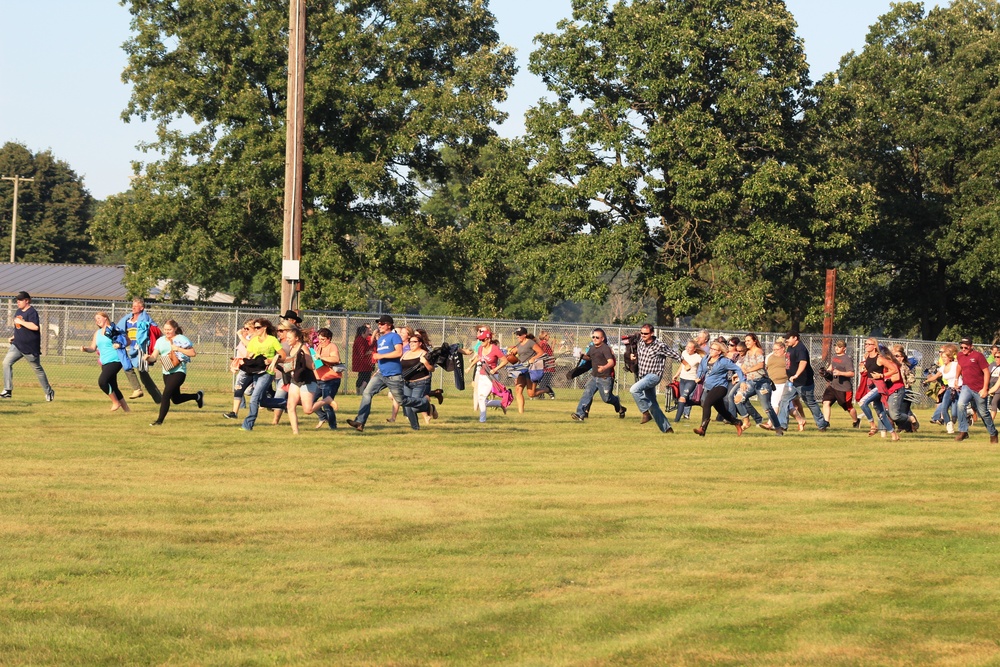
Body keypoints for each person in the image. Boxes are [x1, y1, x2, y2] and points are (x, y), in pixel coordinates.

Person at [345, 315, 443, 432]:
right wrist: (377, 368)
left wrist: (380, 356)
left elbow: (398, 352)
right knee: (367, 393)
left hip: (394, 375)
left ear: (389, 325)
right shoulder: (381, 339)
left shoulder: (395, 337)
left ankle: (424, 402)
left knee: (402, 401)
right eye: (378, 324)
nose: (379, 326)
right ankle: (360, 422)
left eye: (382, 324)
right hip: (382, 374)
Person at [145, 319, 203, 426]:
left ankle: (159, 421)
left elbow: (192, 353)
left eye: (169, 329)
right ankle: (197, 396)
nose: (167, 332)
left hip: (179, 371)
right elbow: (154, 357)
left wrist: (178, 349)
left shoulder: (181, 339)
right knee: (176, 399)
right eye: (165, 329)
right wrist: (148, 358)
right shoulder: (160, 341)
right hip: (167, 372)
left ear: (175, 329)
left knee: (166, 394)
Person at [629, 324, 682, 434]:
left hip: (654, 376)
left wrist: (685, 363)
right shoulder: (640, 343)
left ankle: (645, 413)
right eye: (642, 333)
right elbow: (639, 355)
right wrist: (633, 357)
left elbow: (674, 354)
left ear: (652, 333)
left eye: (646, 333)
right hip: (643, 375)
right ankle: (667, 429)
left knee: (634, 389)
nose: (643, 335)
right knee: (653, 405)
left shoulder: (660, 345)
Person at [2, 291, 54, 401]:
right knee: (6, 363)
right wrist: (13, 336)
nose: (18, 302)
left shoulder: (32, 312)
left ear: (27, 301)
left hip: (30, 347)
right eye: (17, 300)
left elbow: (35, 327)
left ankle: (49, 392)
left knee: (37, 370)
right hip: (17, 345)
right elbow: (19, 329)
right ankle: (8, 390)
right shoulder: (18, 311)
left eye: (20, 300)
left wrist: (21, 322)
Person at [777, 332, 830, 432]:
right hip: (791, 382)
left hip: (804, 382)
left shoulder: (801, 348)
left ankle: (822, 424)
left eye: (788, 338)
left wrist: (796, 375)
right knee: (784, 400)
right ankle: (782, 425)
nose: (786, 340)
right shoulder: (790, 347)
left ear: (795, 338)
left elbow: (803, 362)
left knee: (810, 403)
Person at [239, 319, 285, 432]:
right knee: (262, 401)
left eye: (258, 327)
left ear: (265, 327)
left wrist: (271, 360)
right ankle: (288, 403)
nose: (256, 330)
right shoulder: (254, 341)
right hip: (255, 372)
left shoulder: (272, 340)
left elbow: (283, 356)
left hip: (267, 373)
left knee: (254, 398)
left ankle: (247, 425)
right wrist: (250, 356)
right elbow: (248, 355)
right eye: (255, 328)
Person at [80, 311, 130, 413]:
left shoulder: (113, 329)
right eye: (96, 319)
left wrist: (119, 345)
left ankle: (116, 402)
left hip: (116, 360)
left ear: (105, 318)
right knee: (113, 386)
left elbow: (128, 341)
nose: (97, 321)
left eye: (99, 318)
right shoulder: (97, 333)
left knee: (102, 381)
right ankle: (127, 411)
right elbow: (93, 348)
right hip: (105, 362)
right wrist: (85, 349)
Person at [693, 341, 746, 436]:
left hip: (721, 387)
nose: (711, 350)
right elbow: (701, 367)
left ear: (719, 352)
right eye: (711, 348)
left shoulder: (724, 361)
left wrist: (742, 381)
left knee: (707, 403)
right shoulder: (705, 358)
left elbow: (737, 369)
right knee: (723, 411)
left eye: (714, 349)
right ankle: (737, 422)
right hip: (709, 387)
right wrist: (699, 376)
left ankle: (702, 428)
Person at [571, 328, 625, 422]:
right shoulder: (592, 348)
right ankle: (580, 414)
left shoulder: (605, 348)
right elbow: (589, 357)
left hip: (605, 378)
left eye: (597, 337)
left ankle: (617, 403)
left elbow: (611, 362)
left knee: (607, 399)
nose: (594, 339)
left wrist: (604, 368)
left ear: (602, 338)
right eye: (593, 337)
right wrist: (581, 355)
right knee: (587, 394)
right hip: (594, 376)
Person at [735, 333, 783, 434]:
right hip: (750, 382)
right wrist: (739, 374)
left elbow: (761, 365)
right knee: (738, 399)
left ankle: (778, 428)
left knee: (767, 408)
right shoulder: (748, 353)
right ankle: (746, 421)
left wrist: (748, 370)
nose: (746, 343)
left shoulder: (759, 351)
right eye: (746, 340)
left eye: (748, 341)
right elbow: (744, 366)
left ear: (754, 341)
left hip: (762, 382)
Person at [953, 337, 999, 443]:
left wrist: (985, 388)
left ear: (971, 346)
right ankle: (963, 431)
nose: (963, 349)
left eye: (966, 347)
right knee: (960, 404)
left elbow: (986, 372)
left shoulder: (978, 356)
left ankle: (993, 433)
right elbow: (959, 366)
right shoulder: (960, 355)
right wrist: (956, 378)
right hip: (966, 386)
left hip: (979, 388)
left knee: (983, 413)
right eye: (961, 347)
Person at [116, 297, 161, 402]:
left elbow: (155, 330)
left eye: (136, 306)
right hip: (130, 348)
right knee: (126, 366)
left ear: (141, 308)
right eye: (133, 305)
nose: (133, 308)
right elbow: (120, 330)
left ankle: (159, 399)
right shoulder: (127, 320)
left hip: (141, 349)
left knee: (143, 374)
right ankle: (137, 389)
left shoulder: (145, 319)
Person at [283, 326, 321, 435]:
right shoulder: (291, 348)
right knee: (290, 406)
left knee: (308, 410)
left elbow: (310, 364)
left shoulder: (303, 348)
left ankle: (326, 400)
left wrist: (313, 362)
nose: (287, 339)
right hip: (295, 380)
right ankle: (295, 432)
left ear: (297, 338)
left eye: (289, 338)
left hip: (307, 380)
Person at [400, 330, 437, 429]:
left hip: (421, 383)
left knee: (414, 408)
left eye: (414, 342)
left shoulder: (424, 353)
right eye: (410, 342)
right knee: (407, 407)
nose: (411, 344)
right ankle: (415, 428)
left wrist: (425, 362)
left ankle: (429, 405)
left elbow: (432, 369)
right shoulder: (406, 354)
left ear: (420, 343)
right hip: (407, 383)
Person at [472, 326, 508, 422]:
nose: (481, 341)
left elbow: (505, 361)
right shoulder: (480, 348)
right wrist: (470, 366)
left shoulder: (495, 349)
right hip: (482, 375)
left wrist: (495, 368)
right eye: (480, 340)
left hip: (491, 377)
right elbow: (479, 358)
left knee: (482, 398)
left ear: (488, 339)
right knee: (482, 400)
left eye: (482, 340)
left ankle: (482, 420)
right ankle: (500, 404)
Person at [821, 339, 860, 428]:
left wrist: (840, 373)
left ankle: (856, 421)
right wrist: (826, 371)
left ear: (844, 348)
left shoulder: (847, 359)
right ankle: (826, 422)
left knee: (848, 407)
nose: (837, 348)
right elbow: (832, 366)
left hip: (844, 389)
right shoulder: (834, 357)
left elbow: (852, 373)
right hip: (833, 386)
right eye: (836, 346)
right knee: (826, 402)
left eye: (839, 346)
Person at [223, 320, 255, 420]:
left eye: (247, 328)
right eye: (244, 328)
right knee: (238, 388)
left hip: (257, 368)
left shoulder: (256, 338)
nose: (245, 330)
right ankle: (234, 413)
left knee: (250, 392)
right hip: (245, 368)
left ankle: (278, 402)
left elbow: (250, 346)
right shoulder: (246, 338)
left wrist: (240, 336)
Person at [312, 327, 342, 430]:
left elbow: (335, 359)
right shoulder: (319, 346)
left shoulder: (332, 346)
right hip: (319, 379)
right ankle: (323, 417)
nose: (320, 341)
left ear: (329, 338)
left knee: (327, 405)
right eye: (319, 339)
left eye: (323, 339)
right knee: (310, 401)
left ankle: (333, 427)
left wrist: (321, 357)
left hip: (331, 380)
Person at [509, 326, 544, 413]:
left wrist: (533, 358)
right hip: (521, 369)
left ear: (524, 335)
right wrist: (511, 353)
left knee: (531, 394)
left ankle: (547, 389)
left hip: (530, 369)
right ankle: (521, 413)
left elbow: (541, 352)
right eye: (517, 334)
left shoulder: (530, 343)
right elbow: (514, 352)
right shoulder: (519, 345)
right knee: (518, 390)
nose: (517, 336)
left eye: (519, 334)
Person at [672, 339, 703, 422]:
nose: (688, 349)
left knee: (682, 398)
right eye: (687, 347)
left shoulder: (697, 357)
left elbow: (704, 367)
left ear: (694, 349)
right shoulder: (684, 353)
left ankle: (676, 420)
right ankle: (697, 403)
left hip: (691, 381)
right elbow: (682, 365)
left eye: (690, 348)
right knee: (683, 400)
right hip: (682, 379)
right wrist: (676, 374)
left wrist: (699, 377)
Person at [351, 324, 376, 395]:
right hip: (362, 363)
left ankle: (359, 390)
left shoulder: (363, 339)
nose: (369, 333)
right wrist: (369, 352)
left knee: (362, 376)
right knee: (365, 376)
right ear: (363, 332)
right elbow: (362, 352)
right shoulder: (360, 340)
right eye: (367, 331)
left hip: (364, 363)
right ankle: (361, 388)